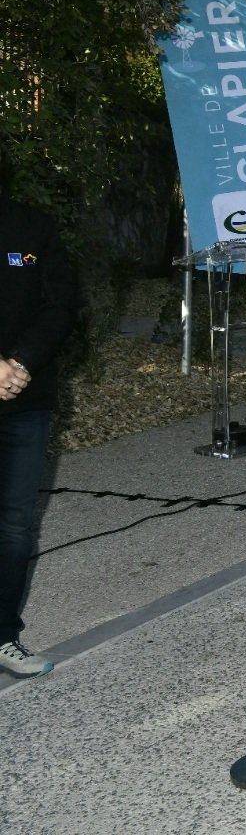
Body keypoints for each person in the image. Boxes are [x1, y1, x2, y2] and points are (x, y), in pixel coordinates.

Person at [0, 192, 79, 679]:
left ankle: (3, 635)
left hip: (24, 401)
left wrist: (18, 363)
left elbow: (62, 306)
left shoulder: (33, 224)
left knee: (13, 526)